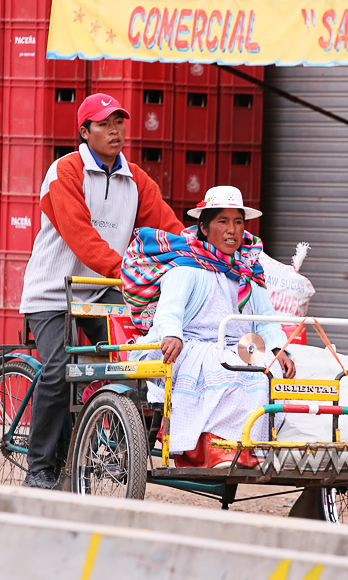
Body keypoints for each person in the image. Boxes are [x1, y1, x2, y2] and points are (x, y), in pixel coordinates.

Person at [18, 93, 184, 489]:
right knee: (59, 371)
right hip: (53, 293)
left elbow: (169, 231)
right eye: (106, 124)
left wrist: (202, 257)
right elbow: (82, 238)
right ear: (84, 131)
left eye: (120, 123)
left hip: (104, 291)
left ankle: (110, 438)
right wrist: (129, 272)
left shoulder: (135, 180)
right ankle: (39, 467)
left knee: (133, 363)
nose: (115, 131)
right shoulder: (65, 172)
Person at [122, 185, 296, 469]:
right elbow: (170, 312)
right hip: (189, 347)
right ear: (204, 228)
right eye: (223, 222)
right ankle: (213, 450)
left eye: (238, 222)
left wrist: (279, 350)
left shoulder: (248, 271)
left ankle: (251, 450)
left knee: (267, 371)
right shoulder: (186, 268)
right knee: (227, 371)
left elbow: (265, 318)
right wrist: (172, 335)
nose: (232, 230)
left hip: (235, 348)